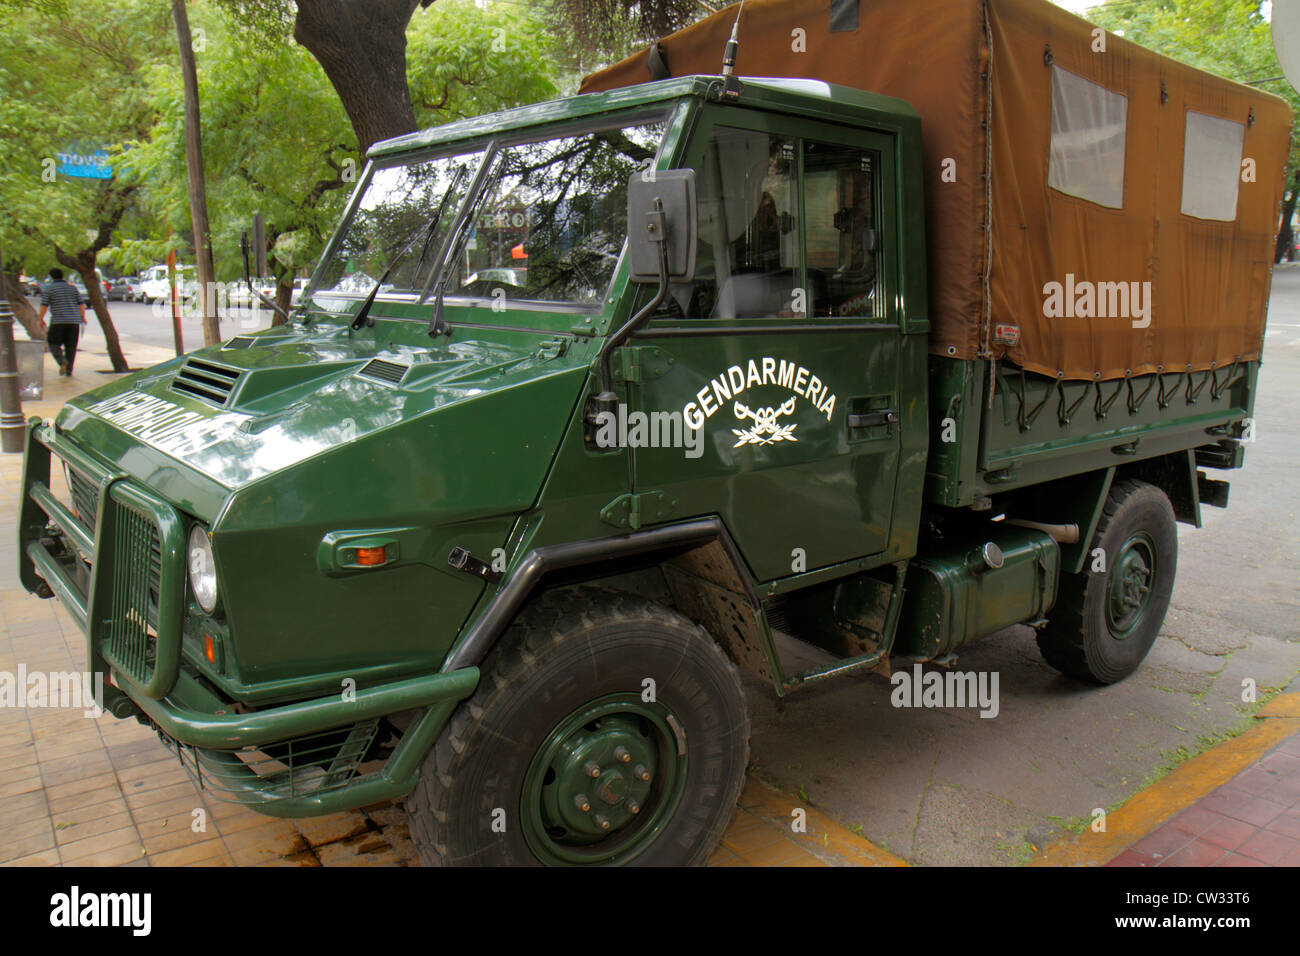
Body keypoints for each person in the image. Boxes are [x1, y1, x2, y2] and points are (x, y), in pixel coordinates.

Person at [36, 268, 87, 376]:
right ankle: (69, 371)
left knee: (53, 343)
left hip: (58, 321)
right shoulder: (72, 288)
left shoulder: (49, 289)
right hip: (74, 322)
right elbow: (81, 305)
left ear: (51, 277)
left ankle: (62, 361)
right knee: (71, 347)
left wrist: (40, 319)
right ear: (62, 276)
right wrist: (83, 318)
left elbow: (44, 306)